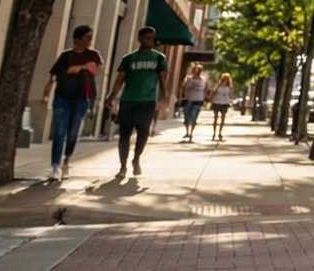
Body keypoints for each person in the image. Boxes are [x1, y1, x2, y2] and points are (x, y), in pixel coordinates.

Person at [40, 25, 102, 180]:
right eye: (87, 37)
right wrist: (46, 94)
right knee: (60, 132)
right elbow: (54, 75)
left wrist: (78, 68)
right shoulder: (65, 56)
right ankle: (55, 166)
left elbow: (96, 69)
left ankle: (66, 160)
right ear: (77, 39)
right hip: (62, 98)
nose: (90, 40)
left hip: (82, 99)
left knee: (73, 133)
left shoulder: (93, 54)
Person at [108, 26, 167, 179]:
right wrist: (112, 96)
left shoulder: (159, 58)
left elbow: (162, 79)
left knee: (143, 133)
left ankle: (136, 159)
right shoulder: (128, 58)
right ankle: (122, 166)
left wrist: (163, 97)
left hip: (147, 101)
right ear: (139, 39)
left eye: (153, 38)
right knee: (124, 134)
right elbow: (120, 79)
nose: (151, 41)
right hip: (128, 100)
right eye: (147, 38)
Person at [179, 63, 208, 142]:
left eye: (198, 70)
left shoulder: (203, 79)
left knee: (194, 117)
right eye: (195, 69)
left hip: (198, 100)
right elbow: (183, 87)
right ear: (193, 70)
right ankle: (187, 132)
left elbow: (206, 89)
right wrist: (182, 96)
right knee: (186, 118)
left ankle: (191, 133)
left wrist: (204, 98)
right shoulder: (188, 78)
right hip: (188, 100)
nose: (197, 71)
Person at [209, 73, 235, 142]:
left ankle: (220, 133)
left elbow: (231, 95)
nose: (225, 80)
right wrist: (211, 99)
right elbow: (212, 92)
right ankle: (214, 133)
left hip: (225, 103)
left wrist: (231, 100)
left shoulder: (229, 87)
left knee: (223, 119)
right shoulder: (218, 86)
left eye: (227, 79)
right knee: (215, 118)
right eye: (224, 79)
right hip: (216, 102)